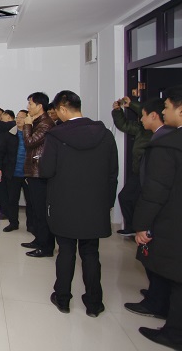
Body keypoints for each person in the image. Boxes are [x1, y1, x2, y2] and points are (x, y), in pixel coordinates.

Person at [40, 90, 118, 318]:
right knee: (91, 253)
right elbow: (112, 173)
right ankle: (94, 303)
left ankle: (63, 298)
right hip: (95, 206)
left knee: (66, 251)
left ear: (63, 108)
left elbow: (46, 170)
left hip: (64, 204)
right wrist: (107, 204)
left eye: (57, 111)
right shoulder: (105, 134)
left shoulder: (56, 136)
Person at [134, 87, 182, 350]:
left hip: (170, 221)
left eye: (167, 107)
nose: (164, 112)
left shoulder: (168, 145)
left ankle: (173, 332)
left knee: (174, 274)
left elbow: (155, 190)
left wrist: (142, 224)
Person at [124, 98, 174, 321]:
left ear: (153, 115)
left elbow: (156, 185)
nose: (141, 119)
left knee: (157, 256)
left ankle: (157, 302)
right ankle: (157, 295)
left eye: (143, 115)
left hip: (160, 210)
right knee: (154, 257)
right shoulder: (159, 137)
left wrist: (142, 222)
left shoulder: (165, 141)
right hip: (157, 206)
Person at [21, 92, 55, 258]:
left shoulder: (46, 124)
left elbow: (29, 142)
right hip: (34, 171)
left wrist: (27, 125)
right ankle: (39, 240)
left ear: (40, 106)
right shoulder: (38, 121)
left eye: (30, 104)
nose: (28, 107)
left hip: (40, 173)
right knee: (36, 209)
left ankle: (46, 247)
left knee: (42, 211)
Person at [112, 96, 152, 236]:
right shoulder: (141, 128)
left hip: (150, 173)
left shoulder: (160, 130)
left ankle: (144, 229)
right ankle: (132, 227)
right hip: (137, 171)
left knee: (144, 202)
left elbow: (149, 111)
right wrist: (118, 111)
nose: (142, 118)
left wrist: (132, 104)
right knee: (125, 197)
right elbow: (123, 125)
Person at [0, 110, 33, 232]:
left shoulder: (32, 135)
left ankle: (31, 225)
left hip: (28, 174)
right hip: (13, 172)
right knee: (12, 200)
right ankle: (13, 222)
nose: (18, 120)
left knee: (31, 201)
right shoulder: (9, 134)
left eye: (22, 117)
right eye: (17, 117)